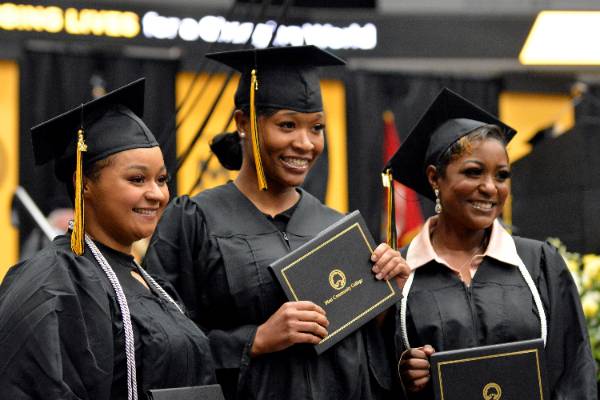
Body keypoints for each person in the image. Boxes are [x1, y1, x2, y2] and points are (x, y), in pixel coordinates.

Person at [143, 45, 410, 400]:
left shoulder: (339, 230)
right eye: (287, 125)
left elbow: (365, 359)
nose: (305, 143)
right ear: (243, 123)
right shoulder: (193, 220)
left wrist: (387, 302)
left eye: (316, 128)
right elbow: (159, 339)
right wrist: (255, 340)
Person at [0, 78, 216, 399]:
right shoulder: (50, 283)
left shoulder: (152, 284)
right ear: (84, 183)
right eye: (137, 179)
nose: (156, 194)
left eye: (161, 179)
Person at [385, 88, 597, 399]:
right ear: (434, 178)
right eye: (473, 172)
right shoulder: (401, 273)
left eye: (501, 175)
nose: (490, 188)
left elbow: (574, 372)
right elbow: (369, 376)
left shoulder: (538, 263)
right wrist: (401, 373)